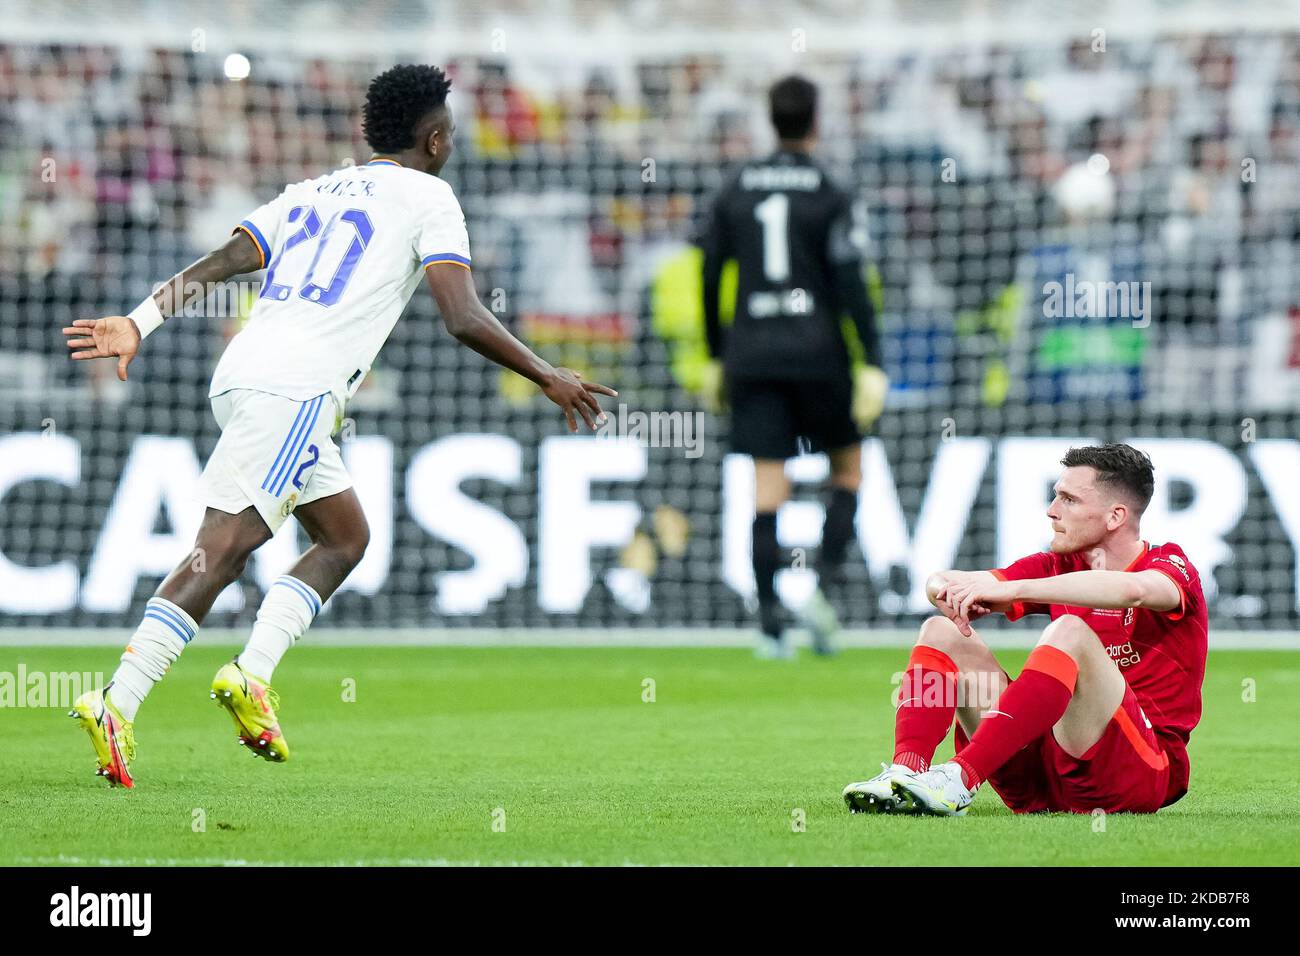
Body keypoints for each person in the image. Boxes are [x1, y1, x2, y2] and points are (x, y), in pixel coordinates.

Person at [63, 64, 615, 788]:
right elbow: (463, 316)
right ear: (437, 137)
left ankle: (251, 674)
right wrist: (549, 374)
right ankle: (117, 700)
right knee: (222, 550)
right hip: (296, 389)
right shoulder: (432, 197)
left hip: (243, 374)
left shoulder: (313, 190)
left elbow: (227, 260)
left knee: (345, 536)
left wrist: (140, 321)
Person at [843, 443, 1206, 816]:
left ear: (1115, 516)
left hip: (1136, 774)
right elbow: (943, 581)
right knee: (941, 631)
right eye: (1055, 496)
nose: (1052, 511)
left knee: (1070, 631)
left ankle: (959, 778)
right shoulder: (1056, 565)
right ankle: (906, 775)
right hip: (1045, 777)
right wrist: (944, 589)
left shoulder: (1170, 565)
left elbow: (1133, 591)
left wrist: (1015, 589)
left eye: (1069, 500)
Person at [698, 74, 887, 658]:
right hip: (819, 354)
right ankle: (823, 594)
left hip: (752, 356)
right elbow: (850, 278)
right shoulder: (830, 188)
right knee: (848, 471)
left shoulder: (736, 187)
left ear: (770, 118)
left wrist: (714, 355)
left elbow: (708, 274)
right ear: (815, 119)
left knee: (766, 489)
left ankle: (770, 624)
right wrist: (872, 360)